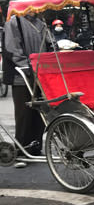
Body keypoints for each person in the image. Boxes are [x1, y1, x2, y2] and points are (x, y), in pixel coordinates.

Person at [4, 13, 54, 167]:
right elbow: (12, 49)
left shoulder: (41, 23)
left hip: (41, 73)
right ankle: (21, 152)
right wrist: (28, 67)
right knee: (24, 114)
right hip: (22, 76)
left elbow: (49, 43)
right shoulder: (14, 23)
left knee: (40, 112)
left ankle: (35, 148)